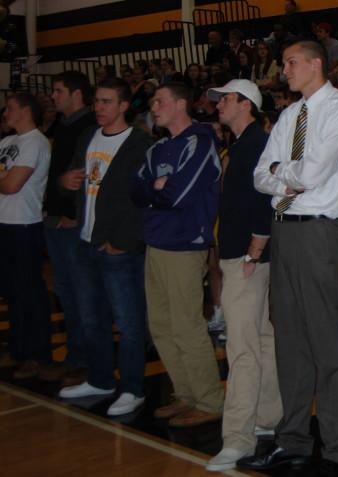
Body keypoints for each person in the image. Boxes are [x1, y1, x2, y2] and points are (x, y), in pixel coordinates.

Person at [246, 41, 338, 476]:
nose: (285, 70)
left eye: (291, 63)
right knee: (290, 341)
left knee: (329, 343)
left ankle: (337, 449)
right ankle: (292, 440)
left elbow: (313, 174)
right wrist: (284, 178)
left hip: (319, 232)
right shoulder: (289, 115)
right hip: (285, 230)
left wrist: (281, 175)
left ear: (317, 64)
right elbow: (260, 175)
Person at [131, 82, 224, 428]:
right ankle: (186, 394)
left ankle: (210, 400)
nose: (154, 106)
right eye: (153, 101)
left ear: (181, 104)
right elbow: (136, 188)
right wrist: (155, 190)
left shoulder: (200, 142)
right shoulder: (158, 148)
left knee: (187, 325)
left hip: (184, 244)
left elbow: (178, 194)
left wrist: (157, 190)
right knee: (161, 324)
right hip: (156, 241)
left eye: (160, 101)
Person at [58, 78, 151, 417]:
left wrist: (124, 241)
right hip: (85, 241)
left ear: (124, 106)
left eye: (107, 102)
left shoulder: (140, 143)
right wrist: (65, 182)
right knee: (90, 317)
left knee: (128, 322)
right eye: (97, 101)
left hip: (118, 248)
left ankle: (132, 387)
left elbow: (141, 200)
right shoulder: (88, 137)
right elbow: (75, 179)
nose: (99, 108)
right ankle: (100, 379)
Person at [204, 80, 281, 472]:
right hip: (251, 257)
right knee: (261, 341)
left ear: (245, 104)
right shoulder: (246, 143)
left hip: (247, 259)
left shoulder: (252, 145)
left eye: (226, 99)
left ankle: (237, 438)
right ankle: (268, 418)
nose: (218, 104)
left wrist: (253, 251)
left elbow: (263, 202)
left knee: (242, 350)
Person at [41, 71, 96, 385]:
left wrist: (75, 214)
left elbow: (84, 176)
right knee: (67, 291)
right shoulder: (63, 126)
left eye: (59, 91)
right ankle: (77, 354)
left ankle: (86, 359)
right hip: (57, 218)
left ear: (76, 94)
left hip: (72, 221)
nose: (53, 96)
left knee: (82, 293)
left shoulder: (87, 128)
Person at [0, 92, 52, 381]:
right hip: (4, 223)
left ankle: (37, 353)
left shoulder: (36, 142)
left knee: (28, 291)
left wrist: (5, 179)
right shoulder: (7, 142)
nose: (5, 113)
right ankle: (18, 349)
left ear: (25, 111)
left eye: (9, 108)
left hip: (23, 225)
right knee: (12, 292)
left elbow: (12, 185)